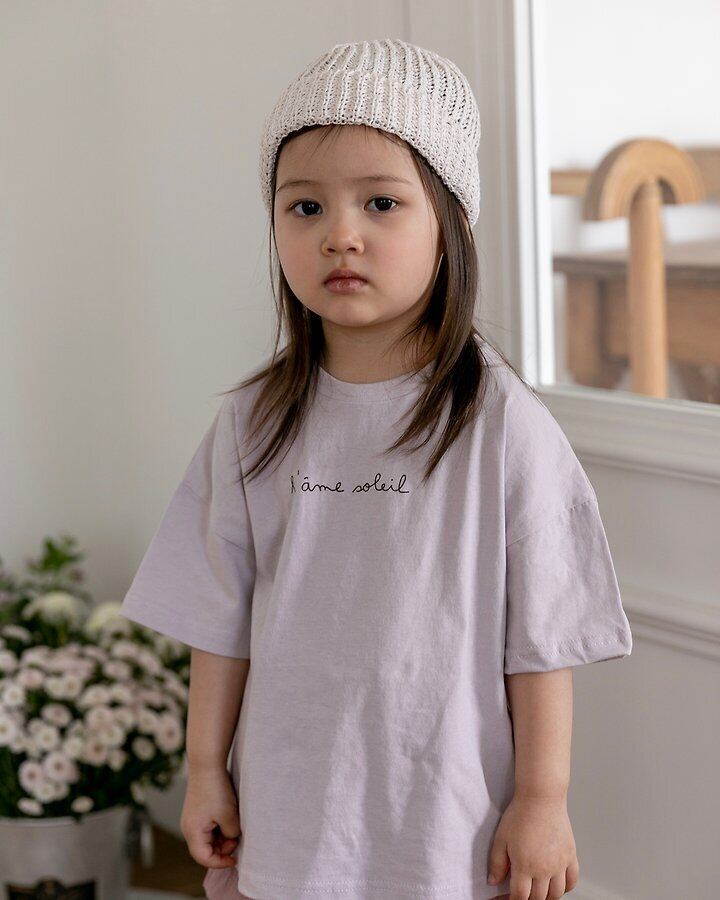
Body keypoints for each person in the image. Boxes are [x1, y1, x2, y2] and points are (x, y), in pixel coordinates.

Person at [119, 38, 633, 900]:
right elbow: (219, 617)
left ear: (450, 227)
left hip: (446, 821)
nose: (340, 235)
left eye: (382, 202)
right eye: (305, 206)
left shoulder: (500, 424)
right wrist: (204, 768)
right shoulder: (253, 422)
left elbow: (543, 634)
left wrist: (543, 799)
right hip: (288, 811)